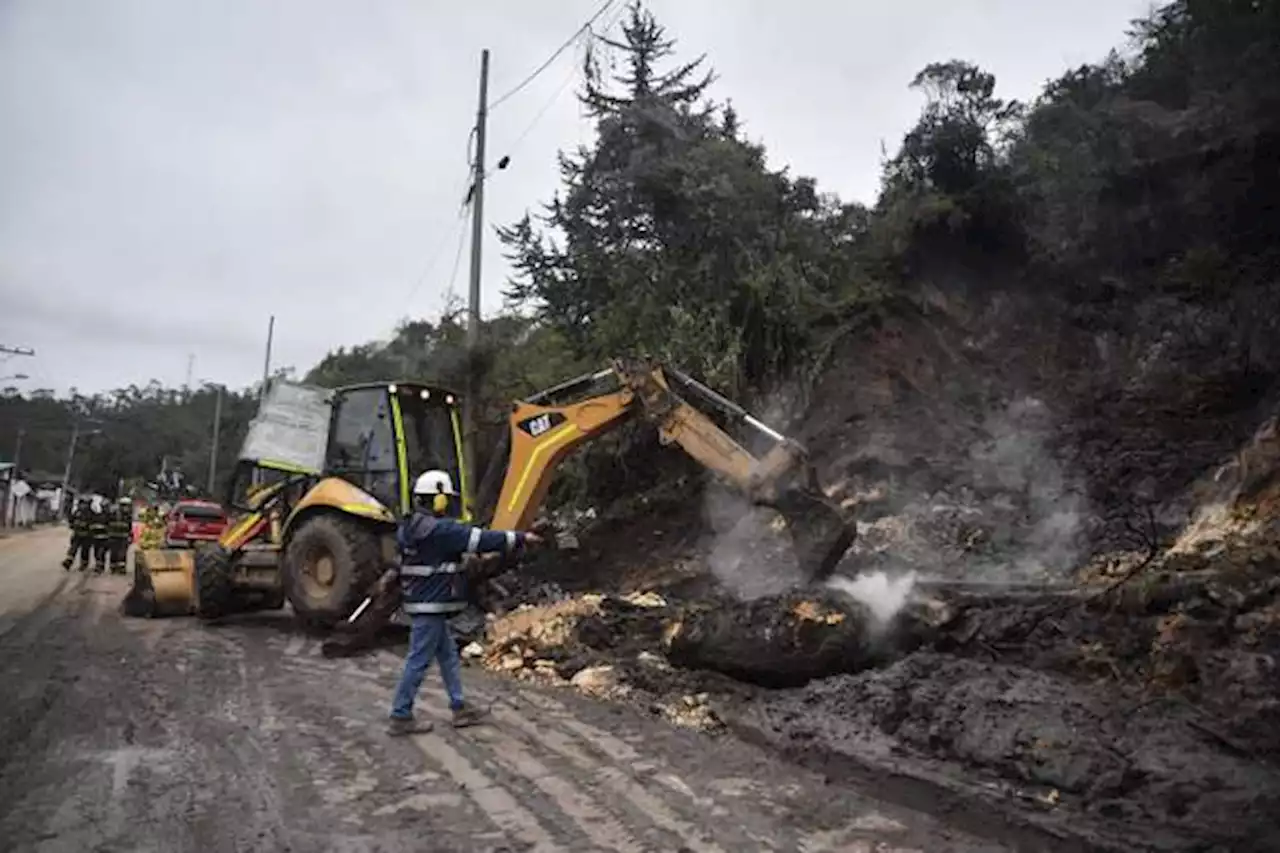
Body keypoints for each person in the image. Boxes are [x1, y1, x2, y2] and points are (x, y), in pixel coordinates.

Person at [387, 469, 541, 736]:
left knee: (447, 656)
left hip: (423, 601)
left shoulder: (410, 528)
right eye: (445, 498)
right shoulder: (440, 530)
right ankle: (401, 715)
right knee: (418, 660)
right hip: (431, 605)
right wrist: (519, 537)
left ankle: (460, 707)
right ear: (438, 500)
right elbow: (480, 540)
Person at [62, 499, 91, 571]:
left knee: (85, 551)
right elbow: (71, 520)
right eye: (81, 504)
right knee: (73, 549)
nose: (82, 506)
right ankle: (68, 562)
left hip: (86, 536)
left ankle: (84, 565)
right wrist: (72, 525)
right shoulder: (77, 512)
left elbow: (92, 523)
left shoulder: (90, 513)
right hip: (77, 534)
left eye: (84, 504)